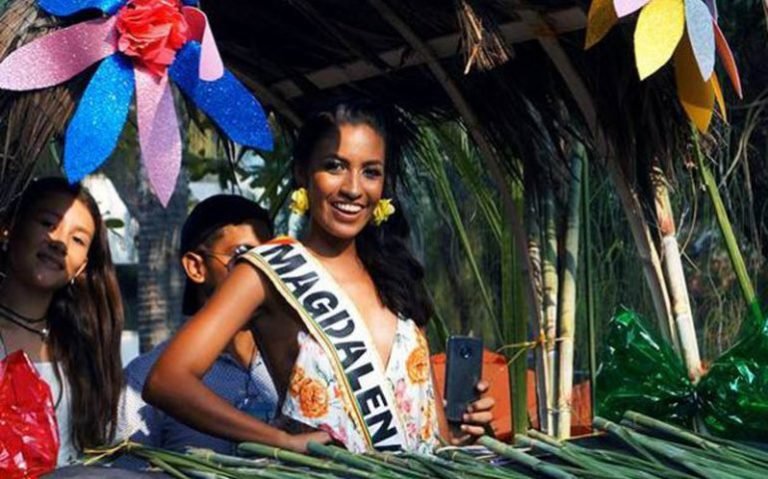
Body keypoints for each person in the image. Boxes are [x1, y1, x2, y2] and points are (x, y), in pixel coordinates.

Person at [144, 100, 494, 453]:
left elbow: (430, 433)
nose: (353, 189)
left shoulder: (395, 277)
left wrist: (457, 433)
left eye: (370, 172)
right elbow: (167, 381)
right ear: (302, 173)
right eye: (334, 166)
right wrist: (279, 440)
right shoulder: (265, 271)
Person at [117, 195, 278, 455]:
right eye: (244, 257)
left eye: (271, 258)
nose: (261, 272)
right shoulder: (143, 377)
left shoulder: (302, 365)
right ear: (196, 267)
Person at [0, 177, 124, 466]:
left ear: (81, 267)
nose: (59, 242)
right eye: (47, 223)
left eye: (78, 239)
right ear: (8, 228)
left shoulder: (86, 352)